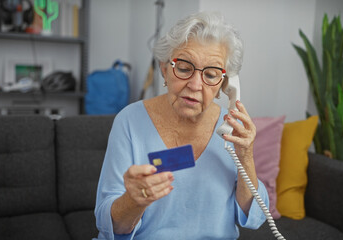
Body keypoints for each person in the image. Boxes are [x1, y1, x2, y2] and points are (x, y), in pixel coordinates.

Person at [94, 11, 269, 240]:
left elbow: (254, 218)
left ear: (224, 84)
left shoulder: (232, 129)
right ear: (165, 69)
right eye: (185, 68)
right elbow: (110, 225)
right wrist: (134, 201)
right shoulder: (129, 121)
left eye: (211, 74)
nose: (196, 85)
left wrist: (245, 155)